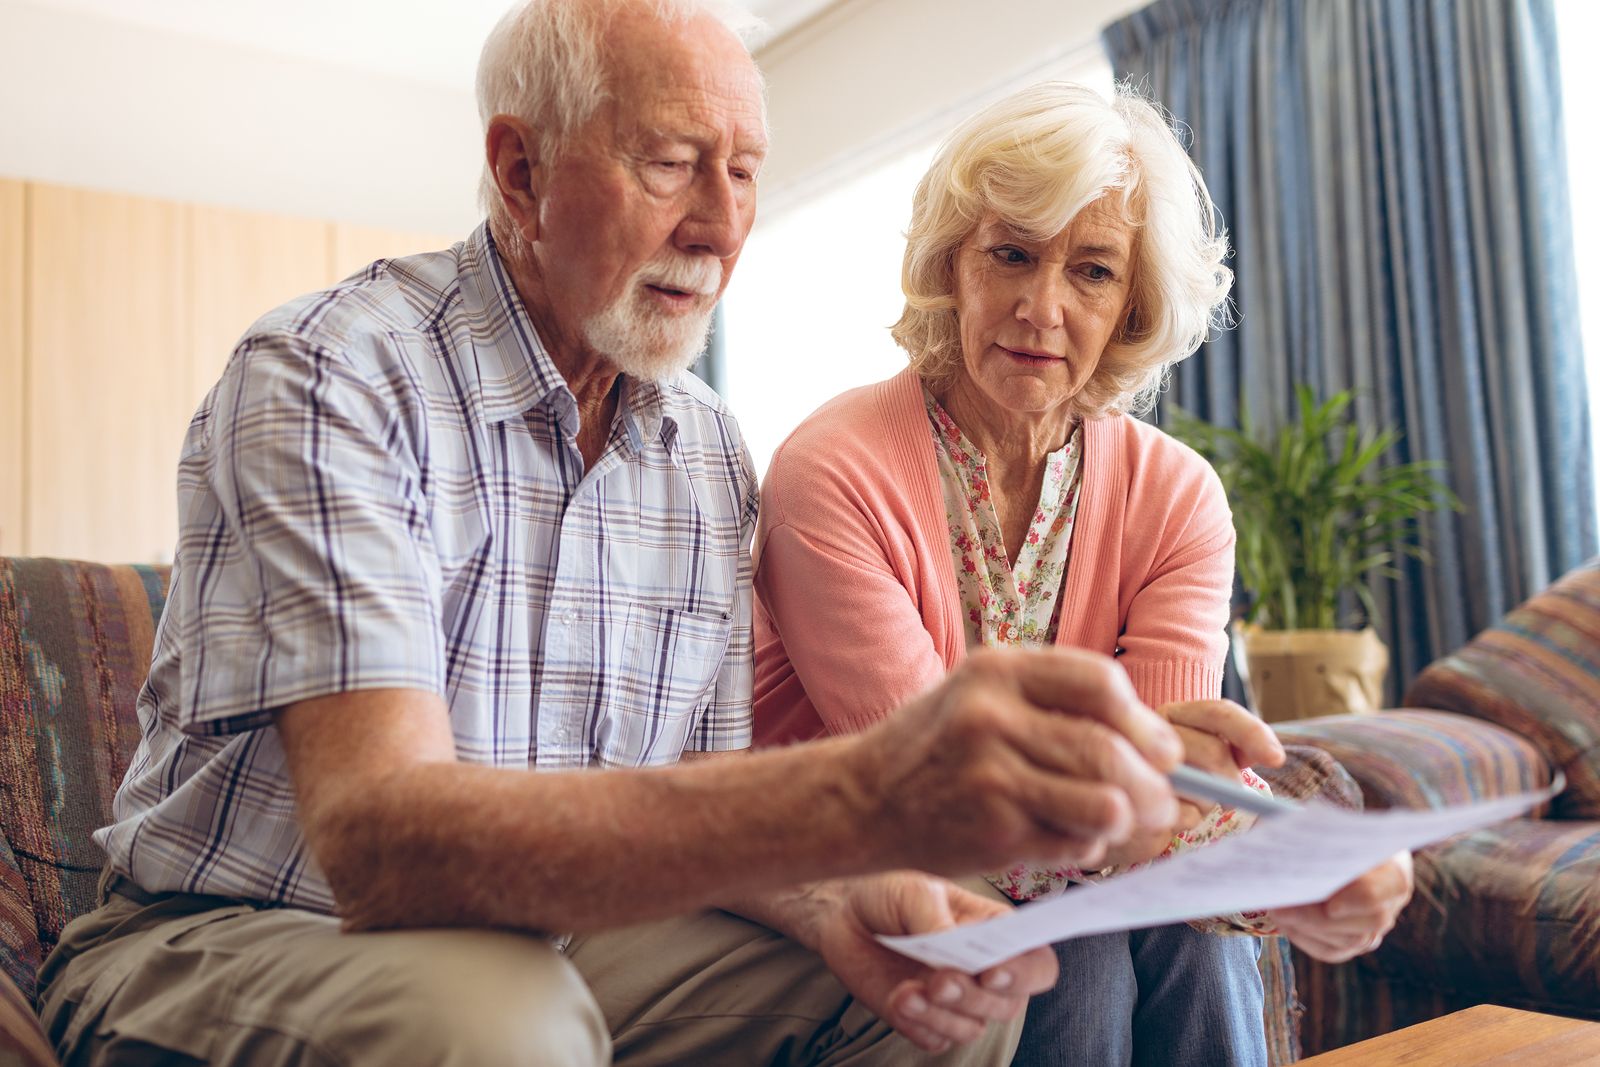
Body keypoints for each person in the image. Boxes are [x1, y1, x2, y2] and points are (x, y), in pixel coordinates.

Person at [33, 6, 1210, 1066]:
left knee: (945, 978)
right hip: (244, 931)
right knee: (503, 1019)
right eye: (670, 163)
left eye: (745, 172)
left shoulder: (701, 448)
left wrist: (834, 898)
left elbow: (694, 781)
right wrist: (861, 793)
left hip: (562, 939)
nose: (719, 223)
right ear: (520, 168)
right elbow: (380, 843)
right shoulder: (334, 373)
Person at [751, 82, 1415, 1067]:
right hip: (854, 859)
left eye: (1092, 271)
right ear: (950, 267)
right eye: (1010, 253)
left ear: (1131, 307)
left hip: (1068, 867)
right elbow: (935, 786)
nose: (1041, 306)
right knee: (1089, 952)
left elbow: (1173, 783)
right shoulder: (831, 469)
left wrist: (1286, 855)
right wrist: (1256, 852)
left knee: (1169, 938)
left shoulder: (1178, 498)